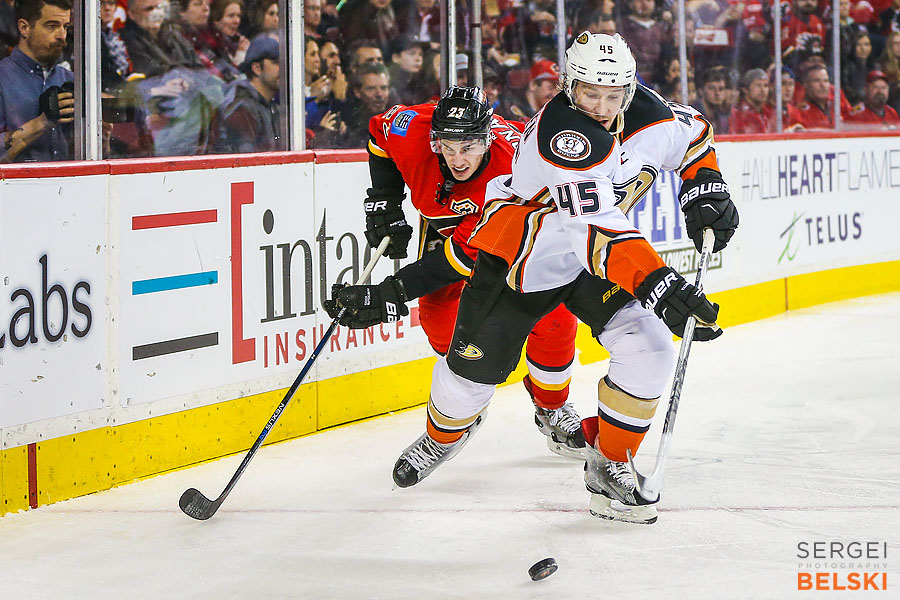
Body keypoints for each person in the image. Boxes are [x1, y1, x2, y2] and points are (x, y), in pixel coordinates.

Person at [340, 33, 737, 525]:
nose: (599, 106)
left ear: (630, 91)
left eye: (613, 95)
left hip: (588, 263)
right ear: (569, 86)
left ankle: (609, 464)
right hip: (518, 261)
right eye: (589, 92)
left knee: (650, 346)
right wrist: (657, 281)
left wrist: (707, 184)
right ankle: (443, 436)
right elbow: (594, 229)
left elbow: (695, 133)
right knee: (467, 383)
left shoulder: (652, 116)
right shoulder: (564, 133)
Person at [324, 86, 589, 463]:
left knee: (552, 318)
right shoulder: (412, 130)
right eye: (447, 147)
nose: (457, 159)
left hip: (523, 231)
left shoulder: (514, 170)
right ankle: (463, 406)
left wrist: (392, 292)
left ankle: (552, 407)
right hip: (452, 230)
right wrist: (384, 199)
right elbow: (379, 134)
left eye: (468, 147)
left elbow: (461, 259)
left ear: (488, 138)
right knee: (438, 318)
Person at [0, 0, 73, 163]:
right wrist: (42, 123)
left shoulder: (71, 80)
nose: (62, 35)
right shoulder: (2, 80)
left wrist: (101, 140)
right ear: (24, 28)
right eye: (52, 26)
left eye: (65, 26)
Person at [213, 34, 280, 153]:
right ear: (256, 68)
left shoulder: (269, 105)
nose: (283, 68)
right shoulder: (242, 109)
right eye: (276, 63)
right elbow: (245, 165)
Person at [728, 68, 775, 134]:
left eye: (766, 86)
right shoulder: (738, 114)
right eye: (758, 85)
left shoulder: (769, 113)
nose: (763, 90)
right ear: (745, 89)